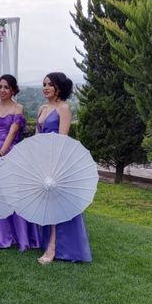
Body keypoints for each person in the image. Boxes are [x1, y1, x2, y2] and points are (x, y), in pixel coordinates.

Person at [0, 74, 41, 250]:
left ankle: (20, 235)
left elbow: (13, 132)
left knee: (14, 194)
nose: (2, 90)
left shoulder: (18, 108)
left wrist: (2, 153)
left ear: (13, 89)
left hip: (13, 152)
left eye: (6, 87)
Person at [36, 72, 92, 264]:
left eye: (50, 84)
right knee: (46, 204)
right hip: (42, 161)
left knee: (56, 204)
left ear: (59, 87)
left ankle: (53, 248)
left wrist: (53, 163)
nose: (46, 87)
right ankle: (47, 242)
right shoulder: (42, 108)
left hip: (57, 162)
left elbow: (62, 141)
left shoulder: (64, 109)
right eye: (44, 84)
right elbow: (37, 137)